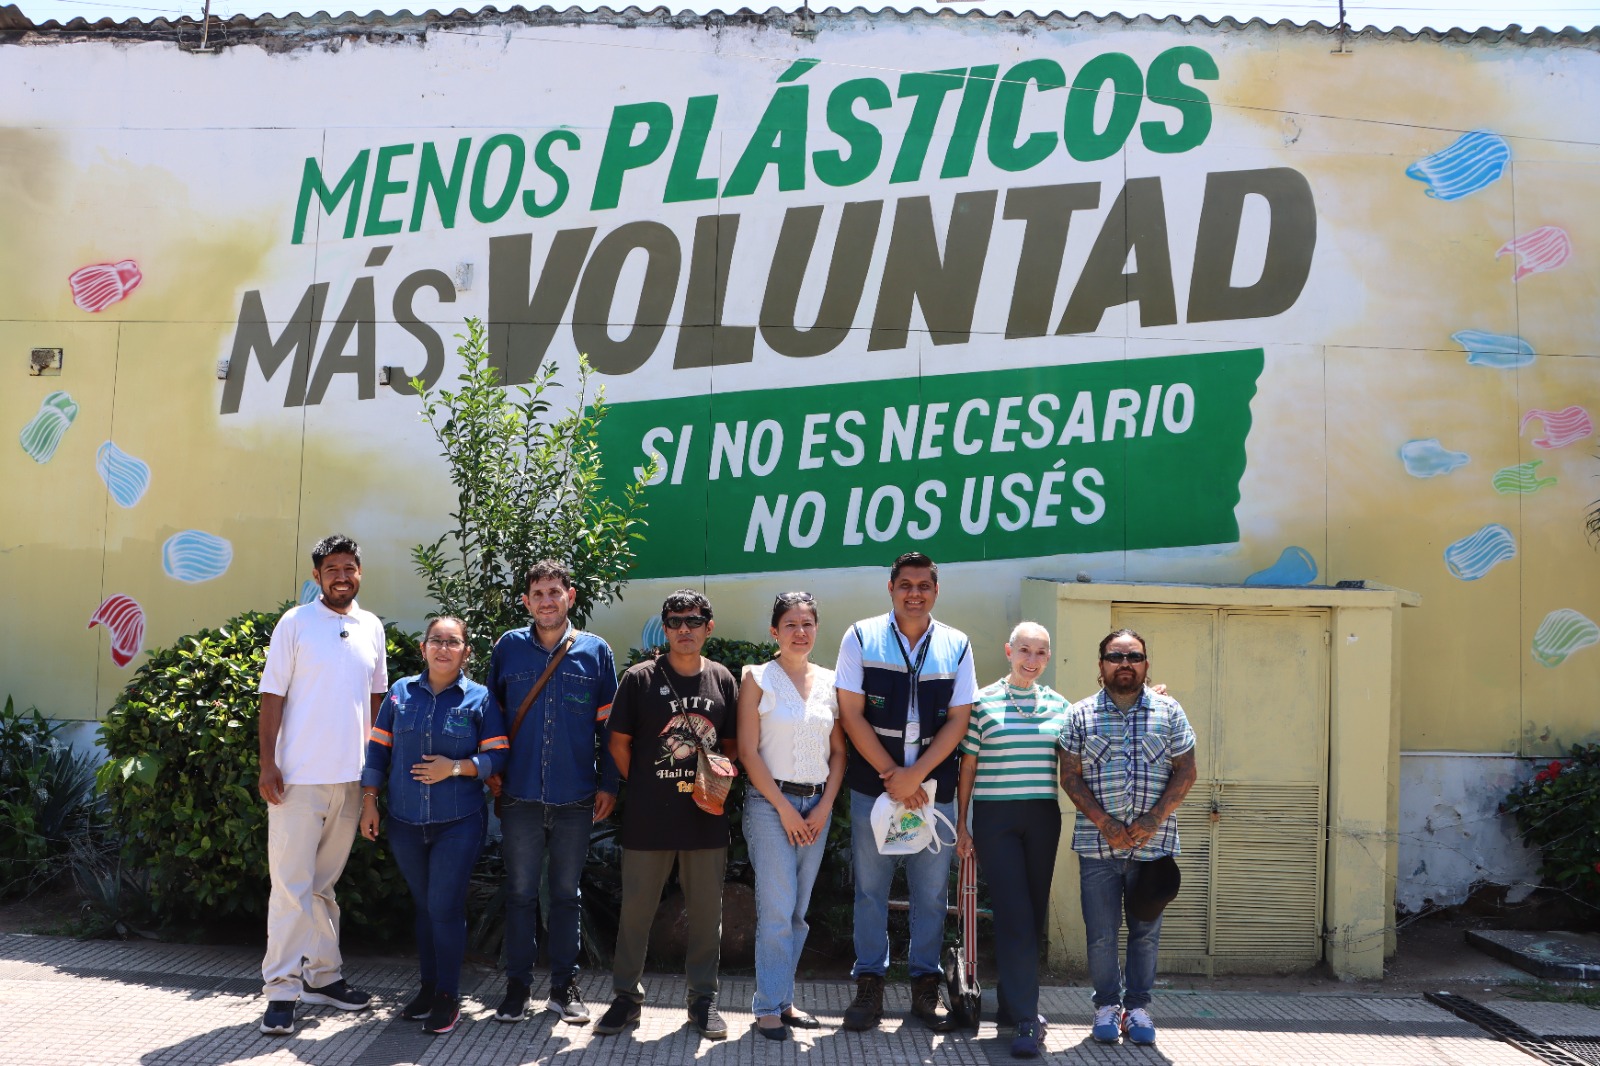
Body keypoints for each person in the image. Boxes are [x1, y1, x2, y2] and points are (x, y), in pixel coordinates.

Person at [835, 551, 977, 1031]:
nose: (914, 593)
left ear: (936, 592)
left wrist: (916, 777)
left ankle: (925, 989)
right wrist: (894, 774)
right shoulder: (860, 636)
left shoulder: (956, 644)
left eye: (923, 586)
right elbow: (851, 712)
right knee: (870, 892)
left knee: (931, 894)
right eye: (905, 585)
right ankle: (869, 986)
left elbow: (959, 720)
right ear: (890, 588)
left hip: (933, 791)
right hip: (872, 789)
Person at [256, 533, 388, 1036]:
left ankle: (323, 977)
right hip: (297, 780)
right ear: (316, 576)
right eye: (331, 568)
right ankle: (282, 991)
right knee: (291, 888)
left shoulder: (370, 626)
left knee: (323, 886)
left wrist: (374, 775)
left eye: (349, 567)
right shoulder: (295, 623)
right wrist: (268, 764)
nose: (341, 575)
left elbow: (378, 703)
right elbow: (272, 694)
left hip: (350, 781)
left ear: (359, 572)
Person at [594, 589, 740, 1040]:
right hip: (648, 816)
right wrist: (642, 779)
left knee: (704, 914)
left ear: (708, 627)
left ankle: (702, 1000)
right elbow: (617, 742)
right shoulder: (639, 679)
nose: (684, 629)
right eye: (675, 621)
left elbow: (731, 746)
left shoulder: (722, 680)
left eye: (693, 621)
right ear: (665, 627)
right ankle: (624, 998)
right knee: (636, 912)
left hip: (705, 815)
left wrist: (712, 779)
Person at [359, 616, 508, 1035]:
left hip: (457, 823)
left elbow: (498, 756)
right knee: (425, 908)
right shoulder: (400, 694)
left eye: (453, 642)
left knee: (443, 906)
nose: (444, 648)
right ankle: (427, 989)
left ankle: (448, 995)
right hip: (405, 823)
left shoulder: (479, 699)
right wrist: (369, 802)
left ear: (466, 652)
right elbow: (377, 754)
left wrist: (456, 767)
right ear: (423, 648)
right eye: (436, 641)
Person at [486, 560, 620, 1025]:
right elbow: (492, 718)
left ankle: (564, 988)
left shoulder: (595, 652)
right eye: (538, 593)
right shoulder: (508, 648)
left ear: (571, 596)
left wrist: (609, 785)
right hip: (520, 795)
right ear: (527, 601)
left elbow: (610, 729)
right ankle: (518, 989)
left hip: (576, 797)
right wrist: (491, 772)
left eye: (554, 592)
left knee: (566, 894)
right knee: (521, 893)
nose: (546, 600)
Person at [1058, 629, 1197, 1048]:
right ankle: (1105, 1007)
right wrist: (1104, 822)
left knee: (1145, 932)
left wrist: (1155, 818)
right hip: (1097, 848)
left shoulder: (1169, 712)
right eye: (1115, 656)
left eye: (1133, 656)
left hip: (1153, 850)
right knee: (1100, 933)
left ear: (1146, 664)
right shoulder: (1080, 715)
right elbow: (1069, 776)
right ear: (1100, 665)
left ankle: (1137, 1008)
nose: (1125, 663)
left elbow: (1186, 771)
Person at [955, 622, 1069, 1058]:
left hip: (1042, 816)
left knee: (1032, 915)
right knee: (1014, 913)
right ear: (1008, 651)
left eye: (1041, 652)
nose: (1032, 660)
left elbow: (1088, 746)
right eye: (1024, 650)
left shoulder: (1061, 706)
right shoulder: (982, 702)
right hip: (995, 817)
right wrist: (963, 825)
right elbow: (967, 769)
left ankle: (1008, 1007)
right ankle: (1026, 1019)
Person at [737, 592, 846, 1041]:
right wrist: (784, 809)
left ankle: (784, 999)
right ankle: (766, 1006)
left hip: (816, 807)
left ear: (816, 628)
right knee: (777, 912)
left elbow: (838, 753)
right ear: (774, 631)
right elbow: (747, 751)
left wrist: (823, 808)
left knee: (798, 913)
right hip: (770, 806)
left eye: (807, 624)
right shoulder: (757, 677)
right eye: (790, 625)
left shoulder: (831, 680)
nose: (800, 632)